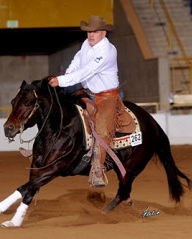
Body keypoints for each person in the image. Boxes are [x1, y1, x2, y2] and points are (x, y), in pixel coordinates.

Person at [49, 15, 126, 187]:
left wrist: (61, 81)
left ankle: (98, 170)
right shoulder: (87, 44)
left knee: (102, 129)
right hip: (88, 92)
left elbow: (86, 72)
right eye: (89, 31)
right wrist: (67, 74)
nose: (91, 35)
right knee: (62, 112)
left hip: (107, 97)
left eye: (95, 32)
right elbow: (78, 61)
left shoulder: (107, 51)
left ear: (104, 33)